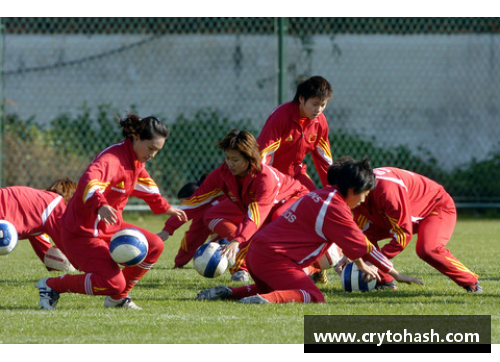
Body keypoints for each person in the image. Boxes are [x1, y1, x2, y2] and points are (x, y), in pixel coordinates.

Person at [196, 157, 424, 304]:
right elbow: (364, 246)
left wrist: (361, 265)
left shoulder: (323, 195)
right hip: (274, 259)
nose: (364, 199)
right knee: (315, 296)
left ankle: (229, 292)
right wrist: (395, 274)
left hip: (259, 254)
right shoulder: (336, 209)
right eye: (364, 193)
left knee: (271, 286)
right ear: (353, 189)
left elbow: (350, 242)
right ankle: (262, 301)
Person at [36, 114, 188, 310]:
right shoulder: (112, 159)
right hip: (80, 233)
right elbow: (89, 180)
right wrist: (101, 204)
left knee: (155, 245)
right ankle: (51, 286)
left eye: (157, 151)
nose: (153, 155)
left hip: (108, 227)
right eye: (151, 148)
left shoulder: (135, 160)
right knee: (113, 282)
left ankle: (118, 299)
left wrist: (166, 207)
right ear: (136, 137)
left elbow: (145, 185)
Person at [158, 129, 309, 282]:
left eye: (235, 159)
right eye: (227, 157)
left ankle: (313, 264)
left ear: (249, 158)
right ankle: (241, 266)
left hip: (295, 199)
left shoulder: (265, 178)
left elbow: (256, 214)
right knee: (211, 215)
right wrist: (168, 229)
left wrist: (237, 240)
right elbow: (195, 201)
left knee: (269, 225)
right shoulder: (223, 173)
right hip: (259, 209)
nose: (229, 163)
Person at [346, 166, 482, 292]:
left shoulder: (387, 192)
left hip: (436, 208)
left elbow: (403, 234)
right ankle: (385, 282)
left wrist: (378, 262)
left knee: (428, 249)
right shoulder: (358, 190)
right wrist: (352, 252)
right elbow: (360, 231)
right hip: (403, 215)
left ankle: (470, 281)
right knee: (362, 240)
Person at [258, 75, 333, 191]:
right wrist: (261, 181)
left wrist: (333, 190)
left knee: (313, 201)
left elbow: (324, 159)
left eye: (323, 105)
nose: (318, 109)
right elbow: (264, 152)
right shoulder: (281, 116)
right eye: (315, 104)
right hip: (274, 175)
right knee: (279, 209)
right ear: (301, 99)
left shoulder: (320, 122)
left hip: (297, 173)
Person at [0, 178, 77, 268]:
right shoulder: (58, 205)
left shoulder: (40, 207)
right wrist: (80, 264)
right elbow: (67, 244)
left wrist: (58, 264)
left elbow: (46, 253)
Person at [171, 173, 225, 268]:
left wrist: (179, 262)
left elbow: (193, 238)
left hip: (235, 237)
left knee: (219, 243)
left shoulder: (204, 210)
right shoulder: (222, 183)